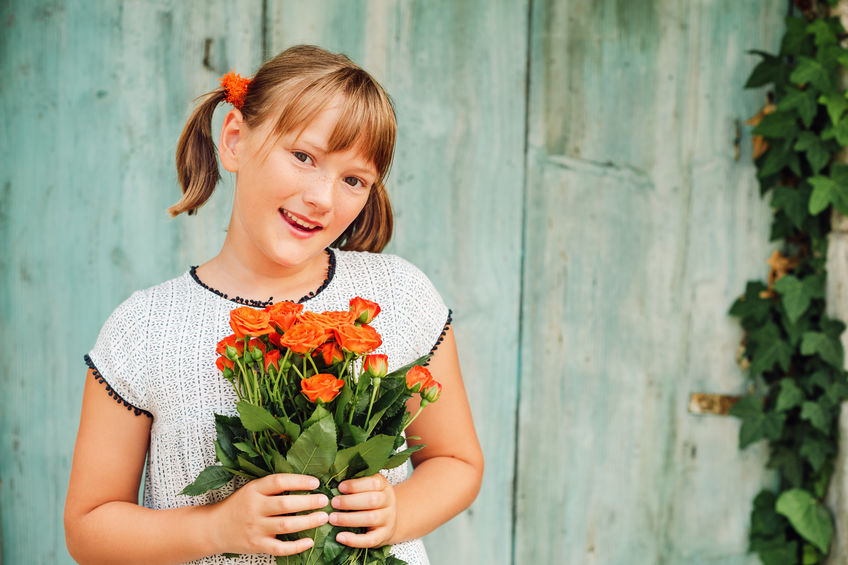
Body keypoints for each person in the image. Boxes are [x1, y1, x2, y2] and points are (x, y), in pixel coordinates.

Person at [64, 44, 484, 565]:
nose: (323, 198)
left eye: (353, 179)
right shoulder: (144, 329)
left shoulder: (398, 296)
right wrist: (217, 527)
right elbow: (89, 528)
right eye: (303, 157)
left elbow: (457, 460)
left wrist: (396, 511)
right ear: (236, 140)